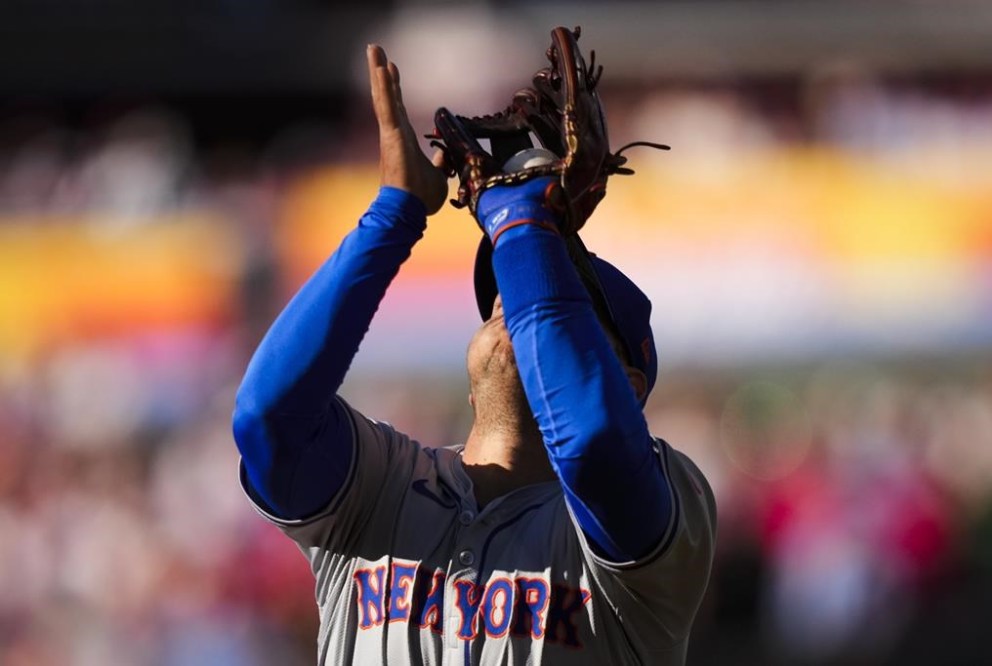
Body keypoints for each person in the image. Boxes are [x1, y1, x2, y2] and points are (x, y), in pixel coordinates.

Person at [232, 43, 716, 665]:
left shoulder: (656, 518)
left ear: (623, 381)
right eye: (503, 295)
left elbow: (594, 444)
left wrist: (521, 220)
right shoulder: (380, 490)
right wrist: (394, 214)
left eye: (558, 299)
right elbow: (268, 419)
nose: (515, 301)